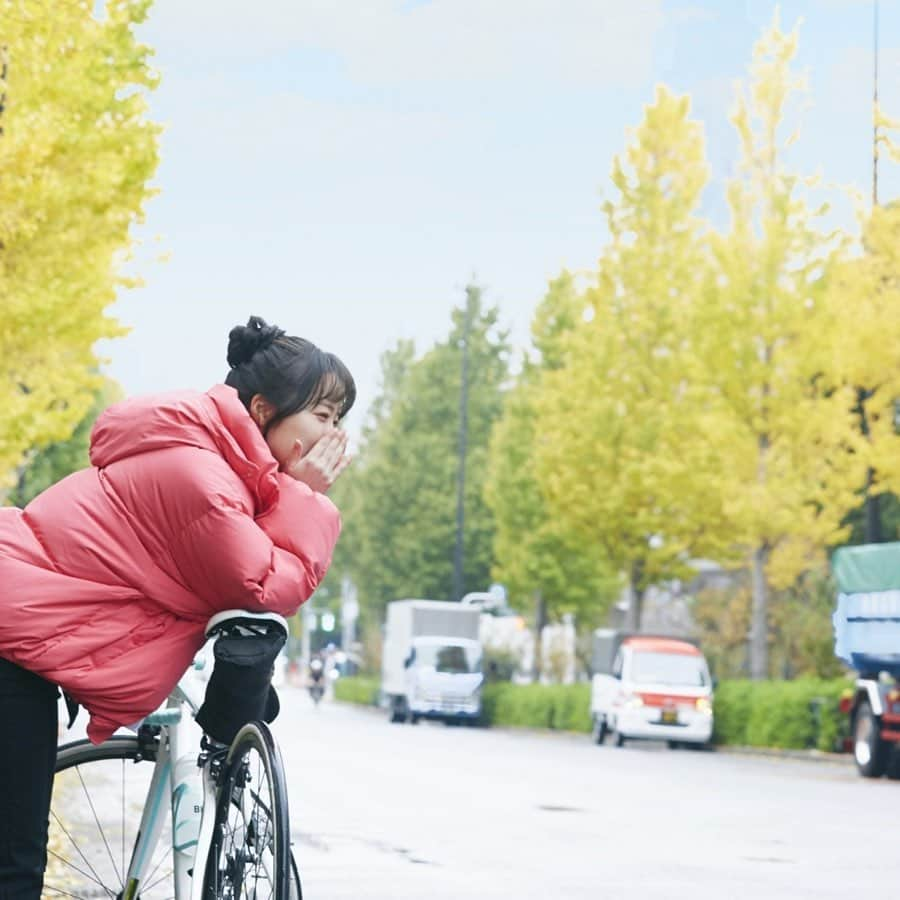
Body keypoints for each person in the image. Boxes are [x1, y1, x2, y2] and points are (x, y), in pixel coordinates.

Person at [0, 315, 354, 899]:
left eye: (340, 420)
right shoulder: (199, 474)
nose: (335, 437)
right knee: (13, 866)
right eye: (322, 416)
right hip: (10, 646)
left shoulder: (217, 465)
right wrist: (305, 496)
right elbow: (261, 583)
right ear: (264, 412)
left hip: (20, 638)